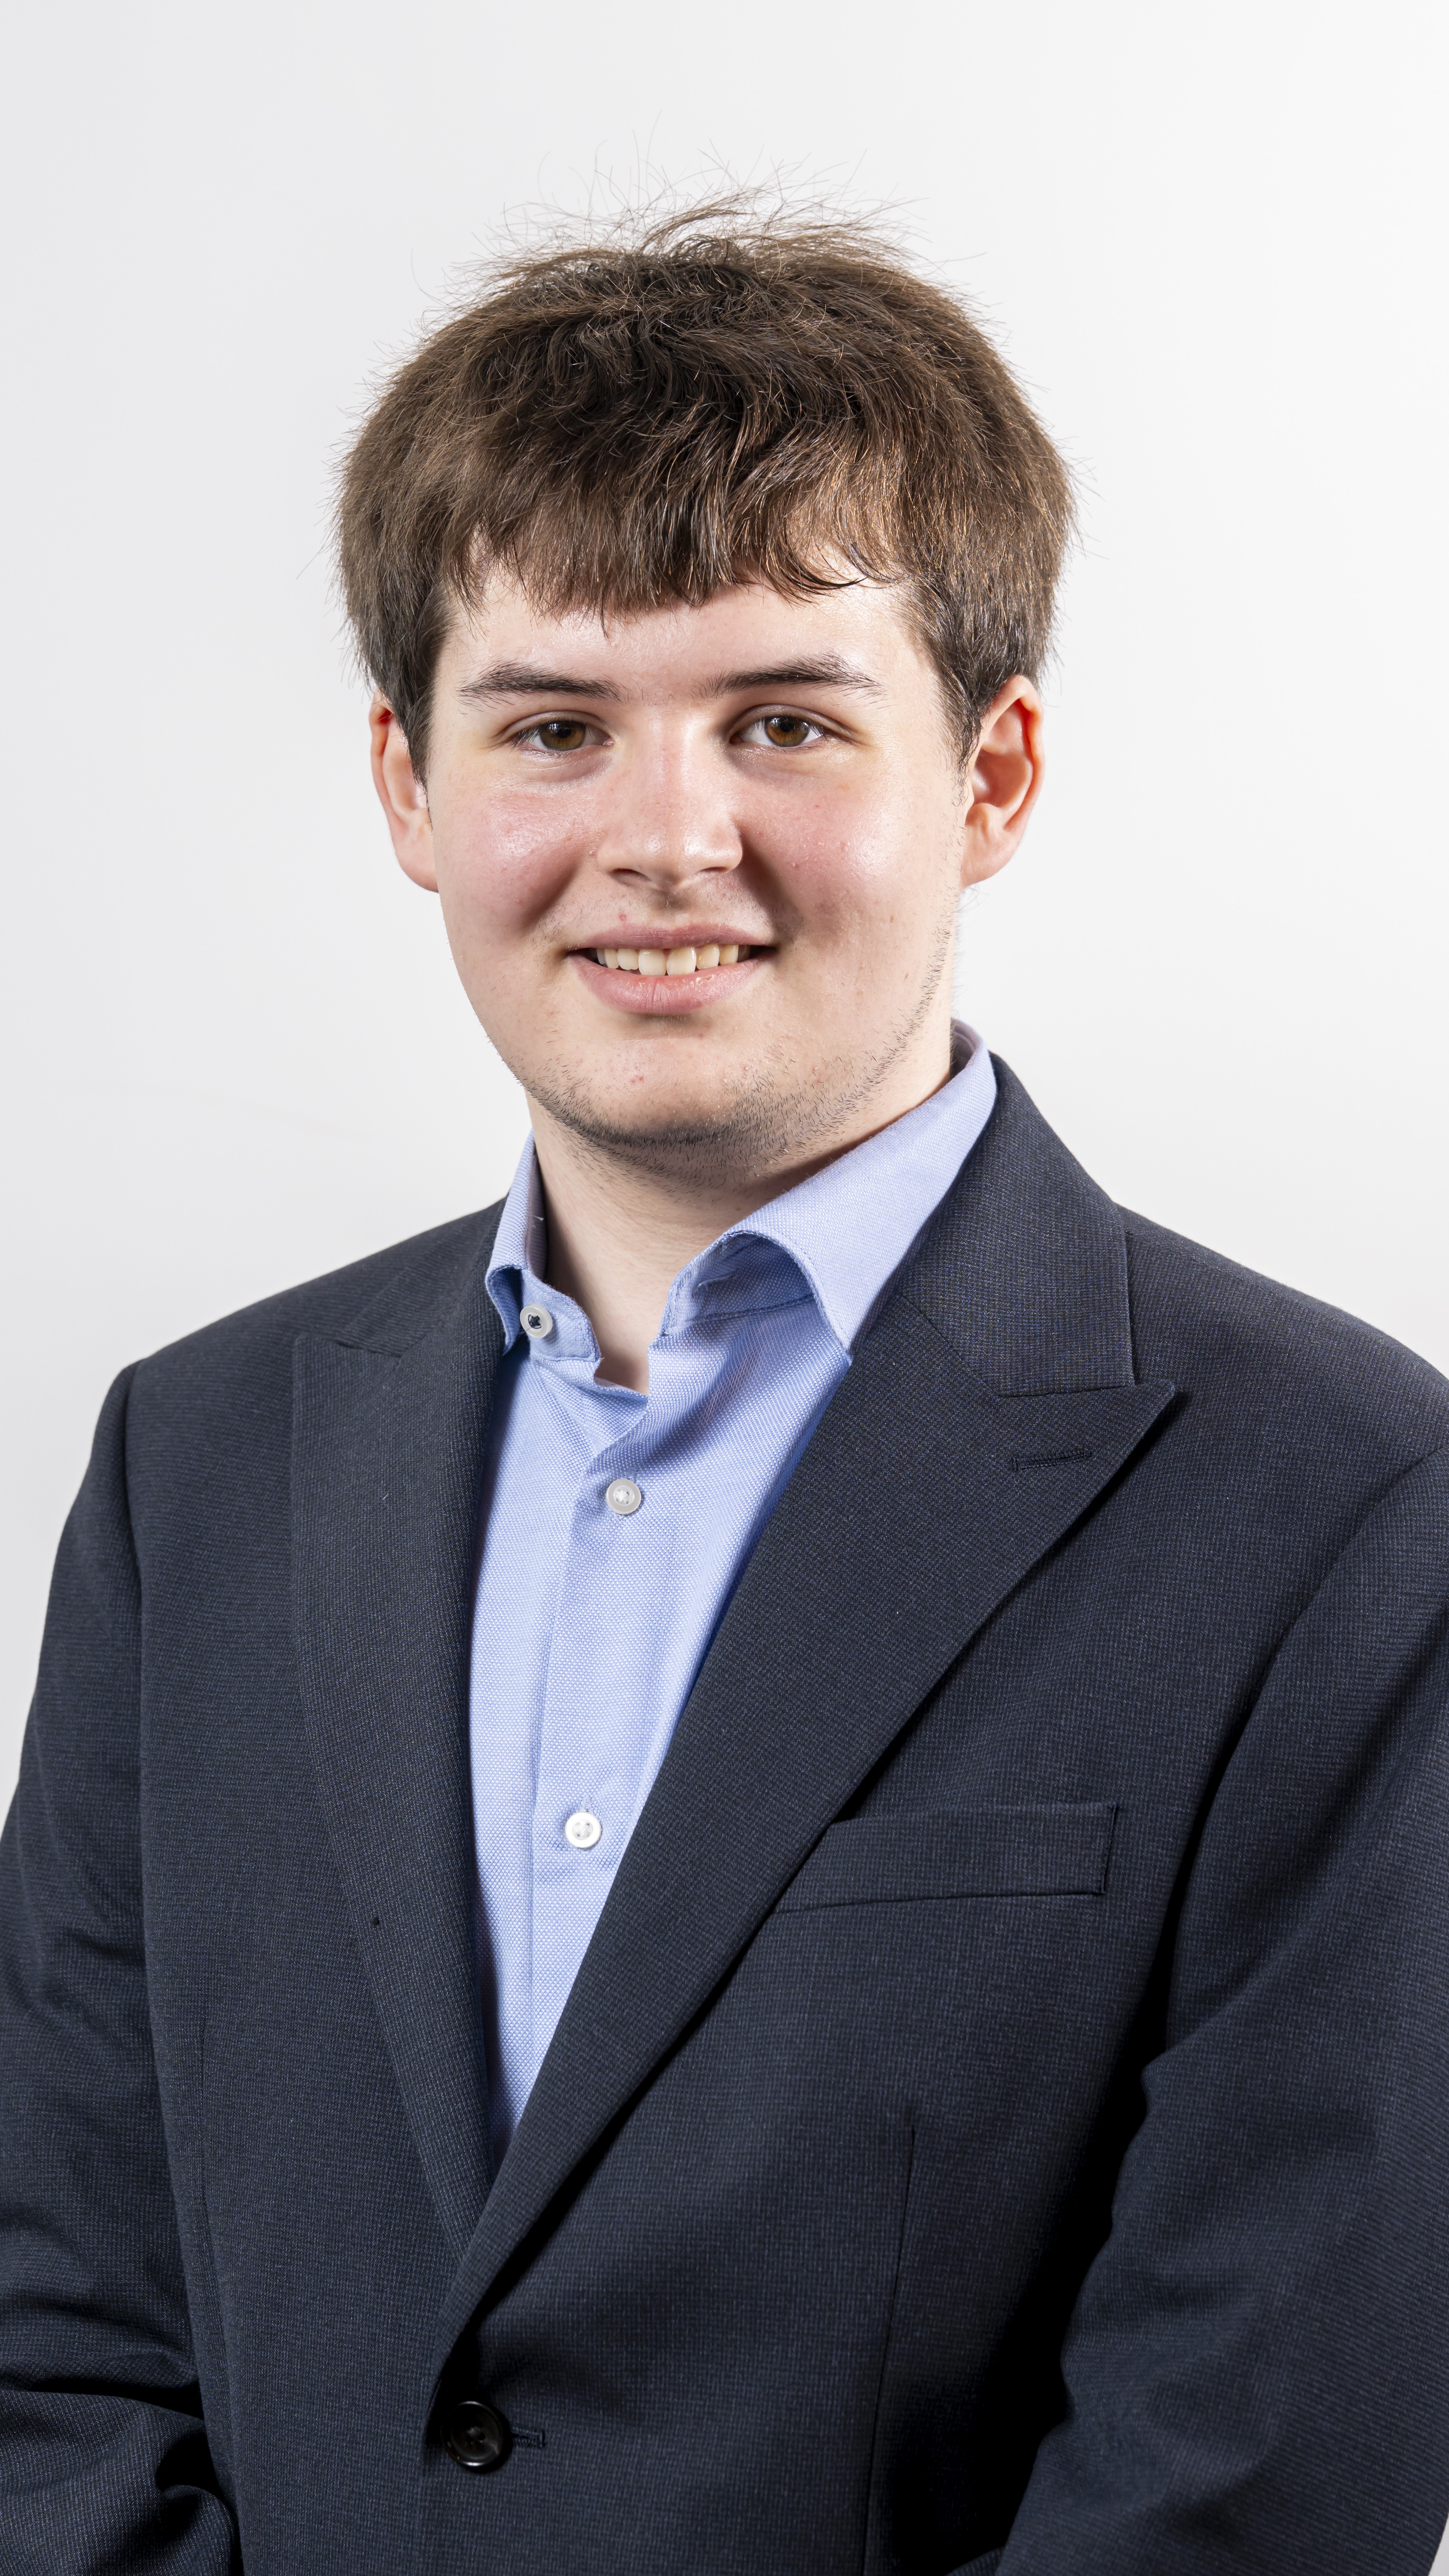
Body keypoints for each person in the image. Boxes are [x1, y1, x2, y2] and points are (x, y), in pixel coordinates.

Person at [2, 205, 1447, 2576]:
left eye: (786, 721)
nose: (665, 840)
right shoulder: (204, 1462)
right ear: (407, 787)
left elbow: (1251, 2477)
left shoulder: (1344, 1507)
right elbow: (52, 2336)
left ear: (991, 776)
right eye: (552, 728)